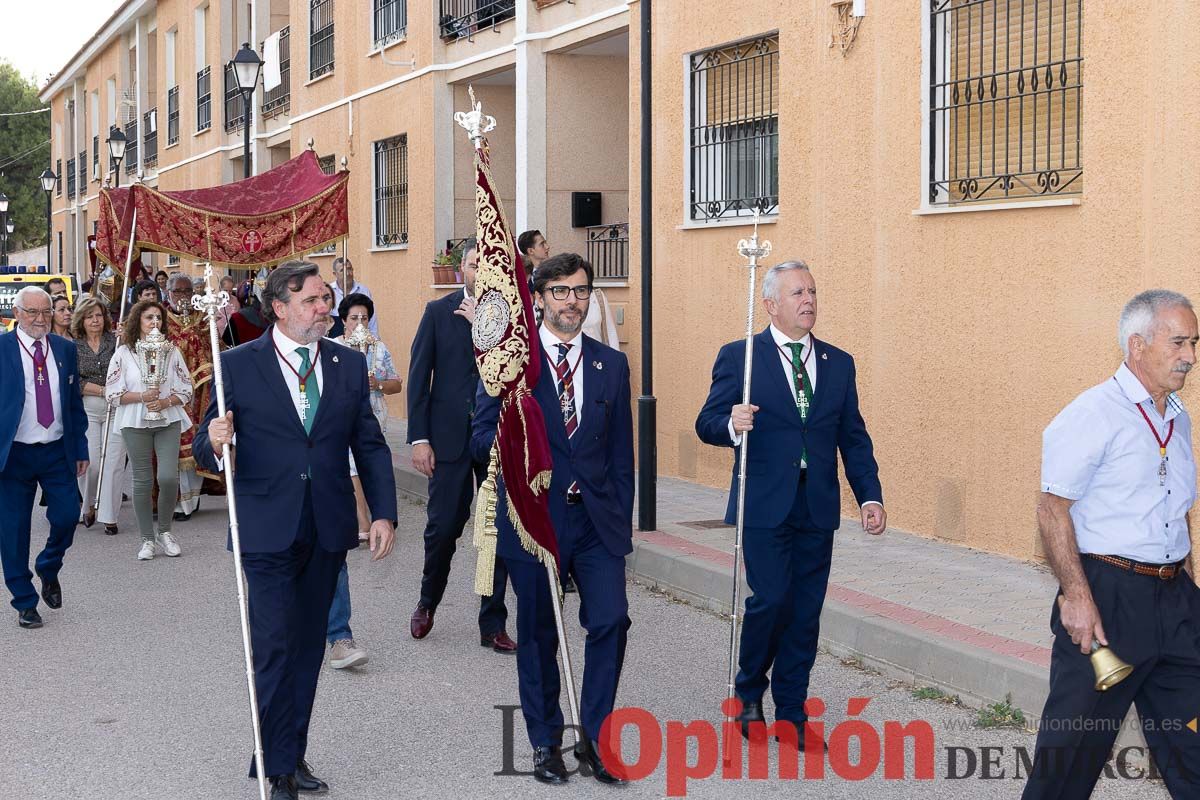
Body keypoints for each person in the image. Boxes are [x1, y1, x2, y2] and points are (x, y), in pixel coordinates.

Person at [194, 261, 397, 800]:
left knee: (308, 648)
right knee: (273, 647)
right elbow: (205, 444)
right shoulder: (237, 364)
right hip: (265, 525)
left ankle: (288, 750)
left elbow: (369, 444)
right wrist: (215, 438)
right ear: (279, 308)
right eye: (312, 300)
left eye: (326, 298)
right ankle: (276, 762)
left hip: (326, 525)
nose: (324, 308)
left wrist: (381, 512)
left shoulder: (347, 365)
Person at [696, 260, 885, 746]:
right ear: (771, 304)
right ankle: (749, 692)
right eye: (798, 293)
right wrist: (730, 423)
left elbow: (853, 436)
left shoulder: (838, 363)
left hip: (816, 504)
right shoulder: (742, 357)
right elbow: (708, 421)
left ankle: (792, 711)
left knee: (805, 612)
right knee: (772, 599)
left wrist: (869, 495)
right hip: (763, 502)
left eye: (813, 292)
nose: (808, 301)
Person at [1023, 290, 1200, 799]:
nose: (1190, 356)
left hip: (1174, 600)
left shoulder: (1177, 417)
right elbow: (1052, 507)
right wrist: (1076, 596)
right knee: (1070, 758)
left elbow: (1176, 508)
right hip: (1108, 597)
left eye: (1193, 343)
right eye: (1179, 342)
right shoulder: (1092, 412)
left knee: (1192, 746)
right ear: (1137, 344)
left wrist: (1185, 585)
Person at [472, 253, 634, 785]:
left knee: (610, 619)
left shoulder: (612, 366)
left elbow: (621, 456)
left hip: (595, 524)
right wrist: (519, 449)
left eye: (581, 291)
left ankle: (596, 740)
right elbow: (479, 437)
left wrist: (621, 521)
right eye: (561, 291)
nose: (572, 301)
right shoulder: (512, 365)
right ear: (538, 298)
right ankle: (545, 743)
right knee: (540, 633)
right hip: (534, 522)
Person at [408, 241, 514, 652]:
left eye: (487, 265)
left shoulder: (509, 316)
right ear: (461, 271)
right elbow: (419, 378)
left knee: (495, 529)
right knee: (443, 528)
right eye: (474, 265)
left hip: (494, 438)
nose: (480, 271)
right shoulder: (438, 312)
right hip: (448, 439)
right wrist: (419, 438)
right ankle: (427, 601)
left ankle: (493, 623)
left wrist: (485, 331)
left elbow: (513, 370)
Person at [322, 292, 402, 671]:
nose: (358, 323)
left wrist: (386, 514)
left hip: (365, 426)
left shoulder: (366, 352)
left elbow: (393, 384)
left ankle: (339, 635)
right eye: (352, 316)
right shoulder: (333, 349)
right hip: (298, 474)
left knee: (333, 554)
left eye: (363, 316)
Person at [0, 287, 89, 628]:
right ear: (17, 313)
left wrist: (80, 448)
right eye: (33, 313)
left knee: (67, 516)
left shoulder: (65, 348)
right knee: (14, 531)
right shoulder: (3, 348)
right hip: (14, 454)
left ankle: (48, 565)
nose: (41, 319)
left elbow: (73, 405)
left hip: (55, 449)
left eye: (46, 312)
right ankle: (24, 600)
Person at [105, 299, 192, 561]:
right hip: (134, 420)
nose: (155, 322)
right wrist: (142, 396)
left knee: (167, 477)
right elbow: (112, 392)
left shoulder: (171, 350)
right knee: (142, 481)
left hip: (168, 419)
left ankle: (165, 532)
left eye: (158, 317)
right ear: (137, 322)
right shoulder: (123, 353)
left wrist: (166, 401)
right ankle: (147, 539)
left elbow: (186, 387)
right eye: (148, 318)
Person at [163, 273, 221, 522]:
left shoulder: (203, 318)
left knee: (197, 443)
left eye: (188, 292)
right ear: (169, 293)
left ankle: (193, 500)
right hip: (171, 391)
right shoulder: (161, 320)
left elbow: (214, 348)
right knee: (175, 448)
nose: (184, 297)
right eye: (178, 292)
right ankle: (177, 503)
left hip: (201, 392)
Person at [73, 296, 125, 536]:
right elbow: (75, 382)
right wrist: (104, 390)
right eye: (89, 316)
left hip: (116, 409)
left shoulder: (116, 342)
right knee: (92, 463)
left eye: (99, 315)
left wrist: (127, 338)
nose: (95, 320)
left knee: (113, 463)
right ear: (81, 320)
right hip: (89, 409)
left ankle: (110, 516)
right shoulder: (73, 346)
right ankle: (88, 504)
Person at [328, 257, 377, 339]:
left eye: (349, 269)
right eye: (342, 270)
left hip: (360, 338)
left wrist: (375, 340)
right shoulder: (329, 291)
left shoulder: (363, 291)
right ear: (334, 273)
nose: (347, 273)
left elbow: (372, 320)